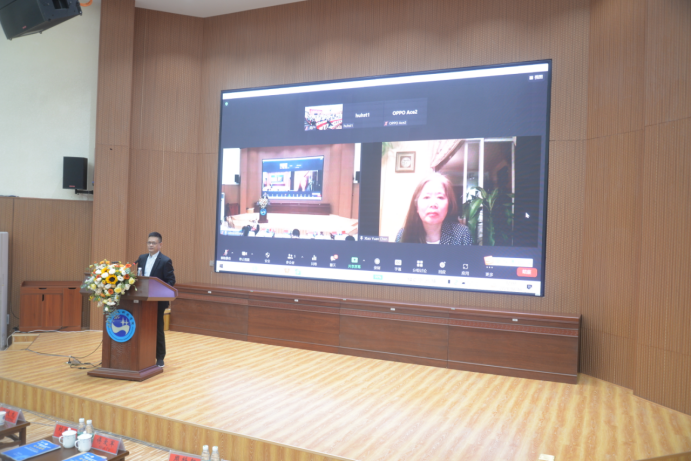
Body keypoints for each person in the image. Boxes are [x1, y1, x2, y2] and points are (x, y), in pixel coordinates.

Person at [396, 173, 472, 245]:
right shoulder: (403, 235)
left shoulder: (462, 234)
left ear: (449, 205)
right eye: (426, 197)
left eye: (440, 197)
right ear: (416, 206)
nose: (433, 204)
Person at [136, 232, 175, 368]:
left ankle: (159, 357)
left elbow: (171, 281)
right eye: (149, 242)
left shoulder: (165, 261)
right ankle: (143, 354)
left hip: (157, 301)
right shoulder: (141, 258)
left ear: (160, 245)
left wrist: (159, 292)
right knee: (142, 327)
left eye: (153, 243)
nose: (150, 245)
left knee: (157, 328)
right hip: (142, 300)